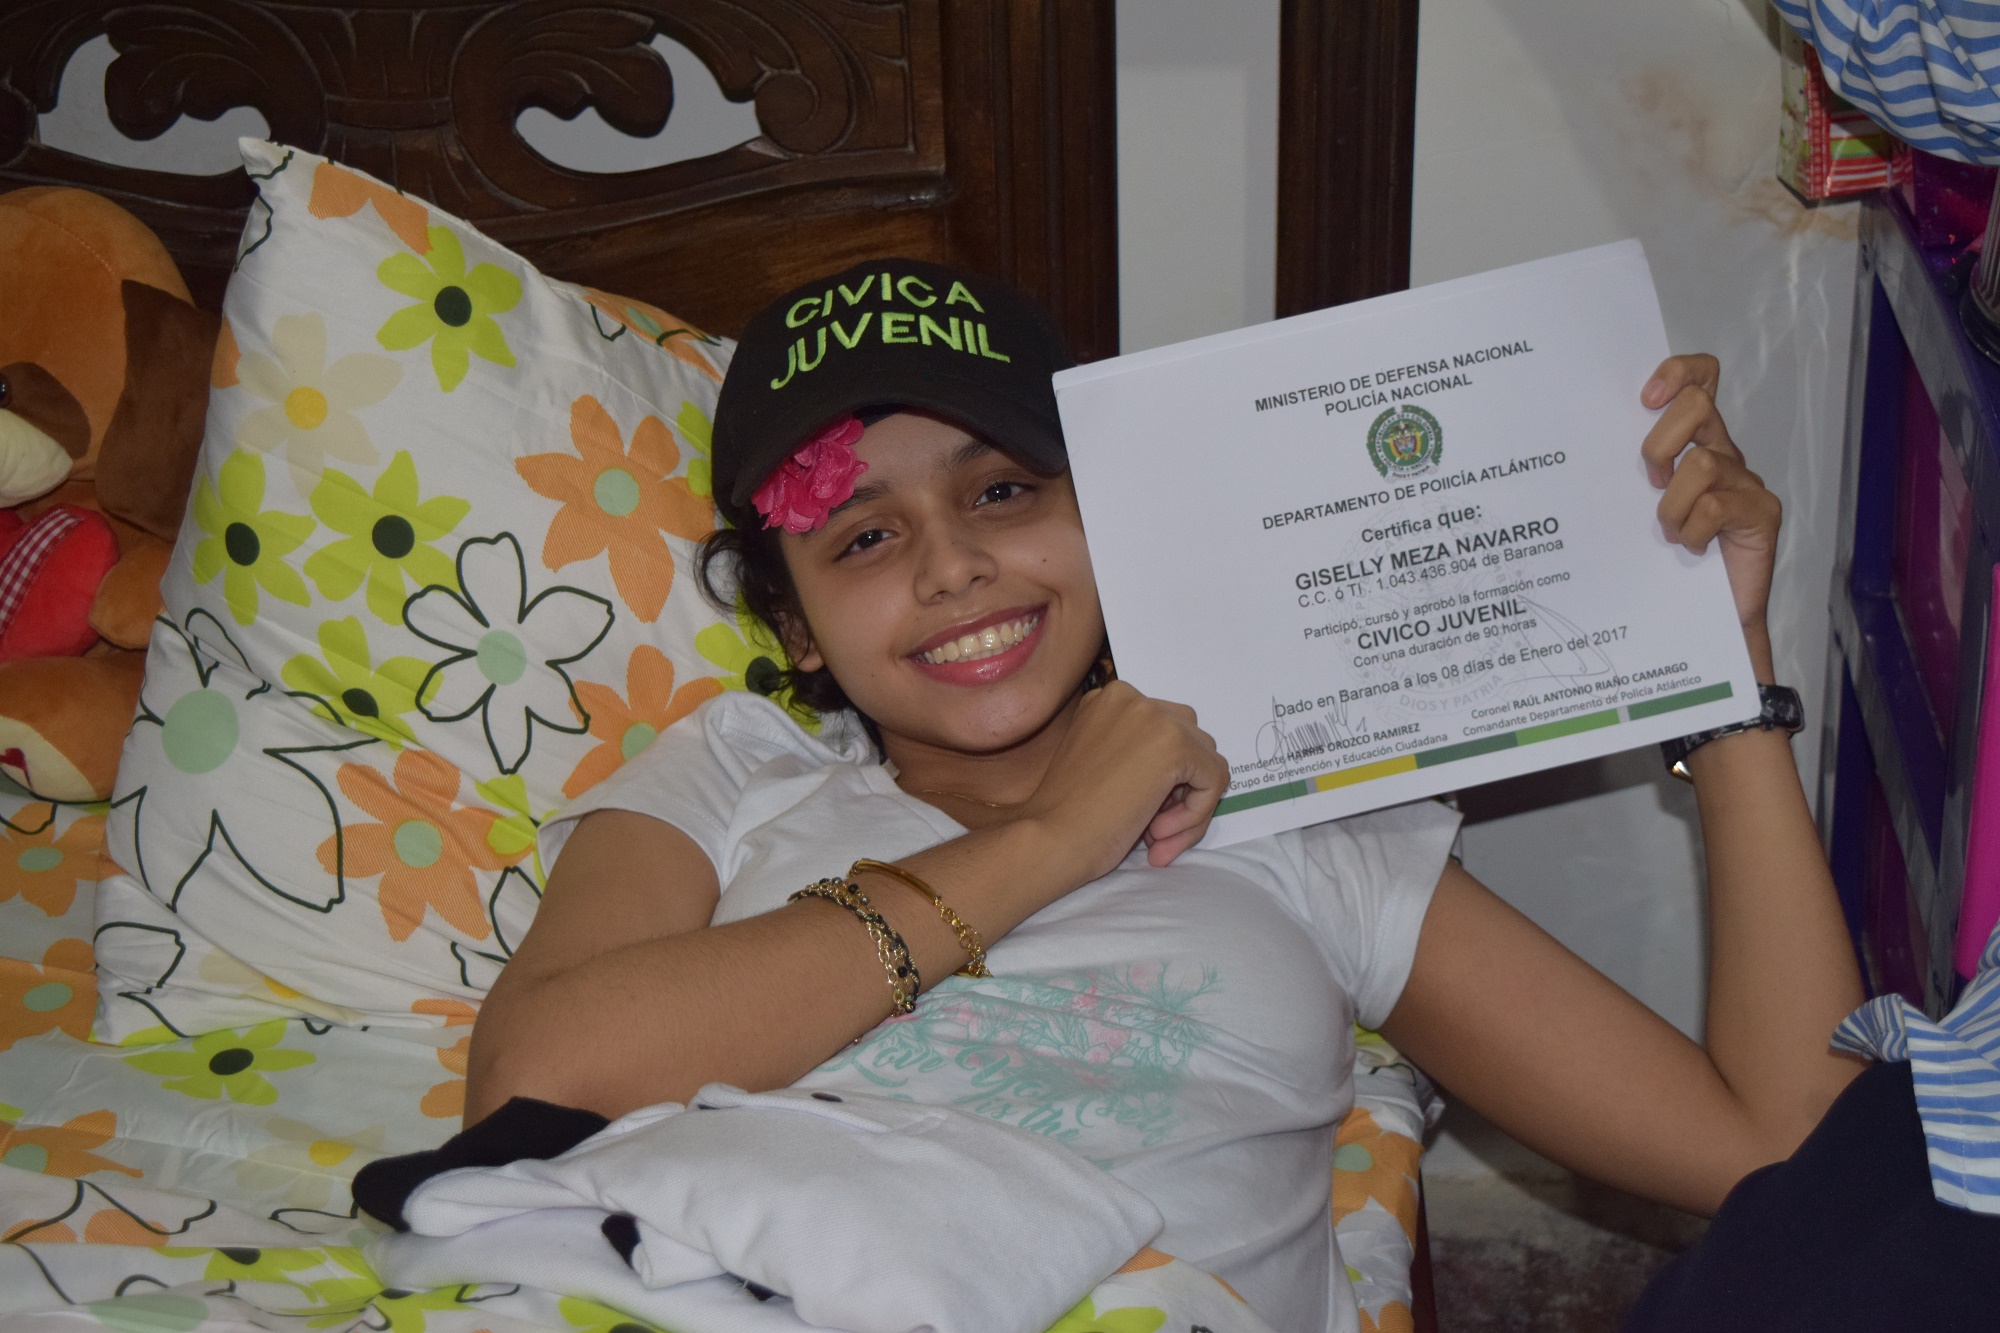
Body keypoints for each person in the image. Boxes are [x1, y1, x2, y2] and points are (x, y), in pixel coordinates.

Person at [462, 259, 1866, 1333]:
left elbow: (1784, 1145)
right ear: (797, 627)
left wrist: (1722, 667)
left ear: (1113, 523)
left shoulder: (1302, 814)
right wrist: (1055, 837)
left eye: (1002, 493)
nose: (952, 567)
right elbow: (532, 1086)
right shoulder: (732, 772)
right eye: (867, 536)